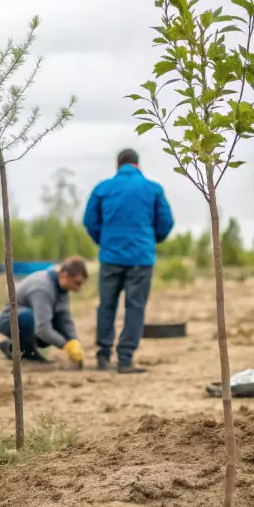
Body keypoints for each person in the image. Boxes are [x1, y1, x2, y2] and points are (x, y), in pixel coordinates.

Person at [82, 149, 174, 373]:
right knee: (135, 307)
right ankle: (125, 359)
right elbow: (166, 222)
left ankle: (103, 357)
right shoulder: (153, 189)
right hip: (141, 258)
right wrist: (152, 240)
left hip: (110, 256)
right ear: (137, 164)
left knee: (107, 306)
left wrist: (104, 241)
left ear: (118, 165)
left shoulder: (103, 188)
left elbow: (89, 221)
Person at [0, 257, 89, 367]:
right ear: (65, 276)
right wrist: (66, 345)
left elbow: (65, 318)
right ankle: (28, 353)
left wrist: (74, 341)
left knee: (55, 321)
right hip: (10, 320)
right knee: (29, 318)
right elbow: (42, 329)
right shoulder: (42, 288)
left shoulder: (61, 289)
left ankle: (12, 347)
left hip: (32, 321)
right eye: (77, 283)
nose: (79, 289)